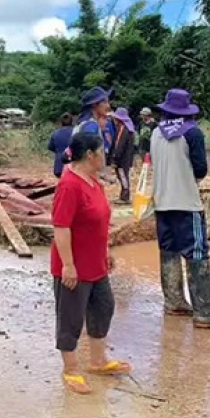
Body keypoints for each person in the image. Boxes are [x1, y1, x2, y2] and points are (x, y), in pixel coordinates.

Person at [51, 132, 131, 395]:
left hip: (96, 262)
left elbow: (100, 222)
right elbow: (61, 227)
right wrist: (68, 265)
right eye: (102, 152)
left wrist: (105, 250)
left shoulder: (94, 182)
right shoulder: (69, 185)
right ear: (90, 155)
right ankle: (71, 369)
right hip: (76, 264)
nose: (105, 157)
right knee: (71, 316)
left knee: (104, 306)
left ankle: (97, 361)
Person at [150, 89, 210, 330]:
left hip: (162, 203)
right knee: (197, 253)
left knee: (169, 249)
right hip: (186, 203)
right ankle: (204, 312)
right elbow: (200, 169)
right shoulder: (192, 133)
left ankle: (174, 301)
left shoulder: (156, 133)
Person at [74, 87, 116, 182]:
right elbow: (89, 156)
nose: (108, 106)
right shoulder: (91, 126)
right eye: (104, 102)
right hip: (86, 177)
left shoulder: (85, 123)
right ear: (94, 105)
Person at [109, 107, 135, 204]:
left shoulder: (123, 129)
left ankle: (125, 197)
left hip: (122, 159)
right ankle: (124, 195)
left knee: (123, 177)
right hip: (127, 158)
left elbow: (119, 145)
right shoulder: (129, 128)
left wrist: (115, 159)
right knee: (124, 176)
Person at [47, 113, 74, 178]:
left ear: (61, 122)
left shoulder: (55, 133)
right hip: (72, 166)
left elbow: (50, 147)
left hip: (59, 166)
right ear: (72, 121)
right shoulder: (75, 132)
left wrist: (59, 152)